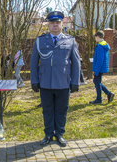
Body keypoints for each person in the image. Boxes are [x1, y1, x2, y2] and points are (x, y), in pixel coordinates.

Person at [30, 11, 80, 147]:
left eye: (57, 23)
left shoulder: (70, 40)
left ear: (62, 24)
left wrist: (75, 81)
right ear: (48, 25)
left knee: (61, 110)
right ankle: (48, 134)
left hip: (63, 83)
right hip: (45, 83)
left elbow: (76, 63)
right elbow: (34, 62)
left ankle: (59, 134)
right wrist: (34, 80)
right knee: (47, 110)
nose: (55, 25)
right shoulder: (40, 41)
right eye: (52, 23)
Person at [89, 31, 115, 104]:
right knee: (97, 82)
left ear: (97, 36)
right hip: (102, 67)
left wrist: (96, 71)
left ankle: (99, 99)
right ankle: (108, 94)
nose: (95, 39)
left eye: (95, 37)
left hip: (99, 68)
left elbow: (100, 60)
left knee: (97, 82)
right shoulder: (104, 44)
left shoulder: (100, 46)